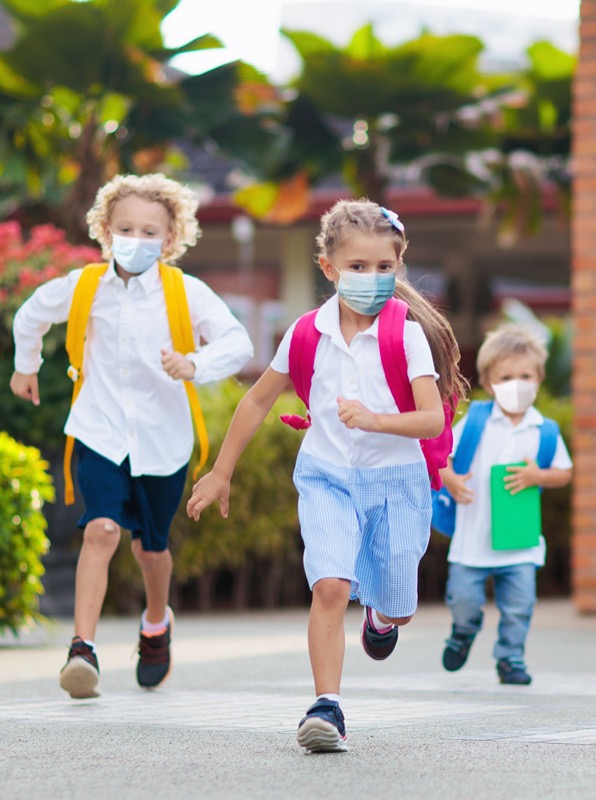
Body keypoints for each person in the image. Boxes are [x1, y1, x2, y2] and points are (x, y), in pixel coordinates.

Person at [186, 199, 467, 754]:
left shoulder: (405, 335)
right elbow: (258, 400)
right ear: (329, 268)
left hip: (398, 484)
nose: (372, 278)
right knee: (331, 585)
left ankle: (382, 621)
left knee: (399, 603)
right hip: (327, 476)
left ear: (398, 266)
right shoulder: (306, 333)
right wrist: (221, 471)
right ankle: (326, 708)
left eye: (384, 268)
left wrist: (376, 419)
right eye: (358, 268)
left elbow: (432, 418)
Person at [10, 174, 254, 700]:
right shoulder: (83, 287)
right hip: (98, 431)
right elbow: (30, 315)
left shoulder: (184, 292)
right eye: (126, 228)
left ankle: (155, 623)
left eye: (150, 231)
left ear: (170, 240)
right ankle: (83, 650)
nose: (136, 239)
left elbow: (237, 341)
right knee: (100, 530)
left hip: (163, 441)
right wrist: (24, 366)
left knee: (150, 549)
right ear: (104, 230)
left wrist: (195, 363)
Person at [438, 324, 573, 686]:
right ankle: (464, 631)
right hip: (472, 539)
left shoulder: (544, 430)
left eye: (525, 375)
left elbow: (564, 472)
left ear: (539, 378)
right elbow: (441, 456)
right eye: (507, 376)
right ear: (488, 380)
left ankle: (511, 657)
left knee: (520, 606)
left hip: (520, 540)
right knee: (464, 599)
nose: (517, 383)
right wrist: (449, 479)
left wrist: (538, 476)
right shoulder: (477, 420)